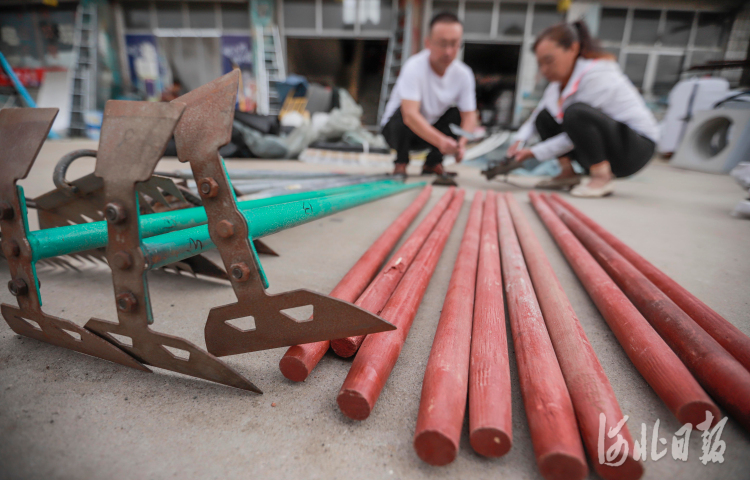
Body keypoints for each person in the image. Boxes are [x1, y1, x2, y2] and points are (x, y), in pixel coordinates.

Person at [506, 21, 659, 197]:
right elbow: (536, 118)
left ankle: (602, 177)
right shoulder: (557, 85)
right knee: (544, 117)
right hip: (606, 145)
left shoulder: (598, 74)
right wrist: (519, 141)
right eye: (540, 64)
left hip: (633, 149)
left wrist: (534, 152)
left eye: (549, 61)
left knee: (575, 113)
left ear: (573, 48)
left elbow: (576, 130)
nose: (544, 70)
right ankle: (567, 174)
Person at [381, 12, 477, 178]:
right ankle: (401, 162)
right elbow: (410, 116)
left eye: (454, 44)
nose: (448, 51)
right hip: (398, 132)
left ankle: (432, 163)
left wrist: (461, 144)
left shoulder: (464, 74)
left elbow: (470, 116)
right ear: (428, 43)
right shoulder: (414, 67)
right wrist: (441, 141)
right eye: (442, 44)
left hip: (429, 133)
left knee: (456, 115)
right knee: (404, 112)